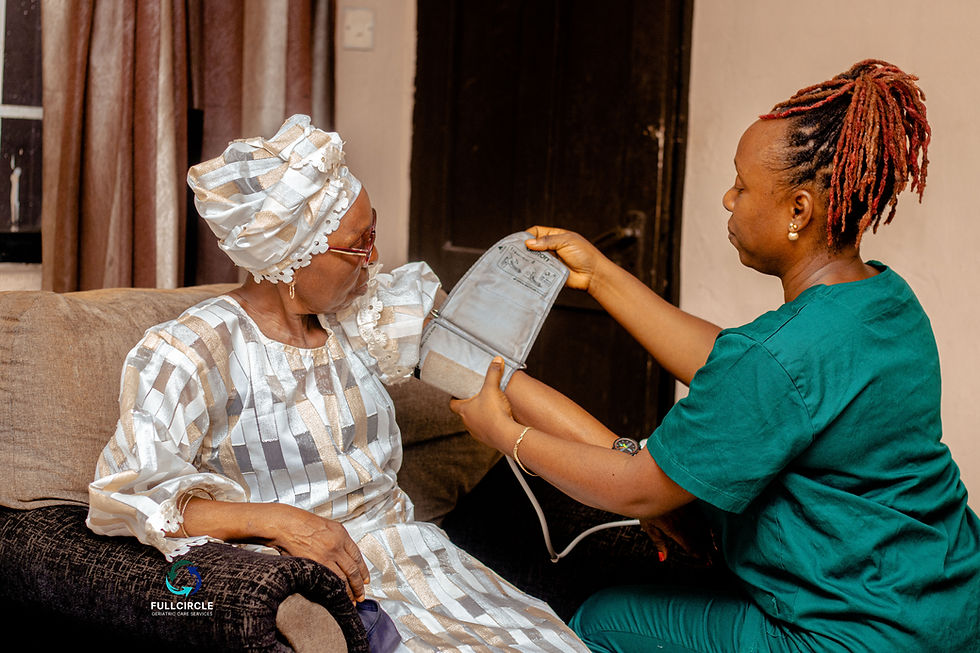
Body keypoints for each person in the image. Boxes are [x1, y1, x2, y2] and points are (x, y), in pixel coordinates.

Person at [450, 60, 980, 652]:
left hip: (859, 635)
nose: (729, 198)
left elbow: (636, 489)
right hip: (948, 601)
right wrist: (599, 274)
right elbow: (734, 365)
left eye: (743, 185)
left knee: (602, 620)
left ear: (798, 211)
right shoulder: (884, 300)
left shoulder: (778, 358)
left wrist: (505, 433)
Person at [86, 114, 587, 652]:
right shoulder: (191, 351)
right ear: (289, 257)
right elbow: (127, 496)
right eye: (358, 244)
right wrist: (280, 521)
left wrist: (628, 462)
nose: (374, 260)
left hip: (417, 564)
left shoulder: (366, 315)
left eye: (375, 233)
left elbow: (503, 382)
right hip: (319, 588)